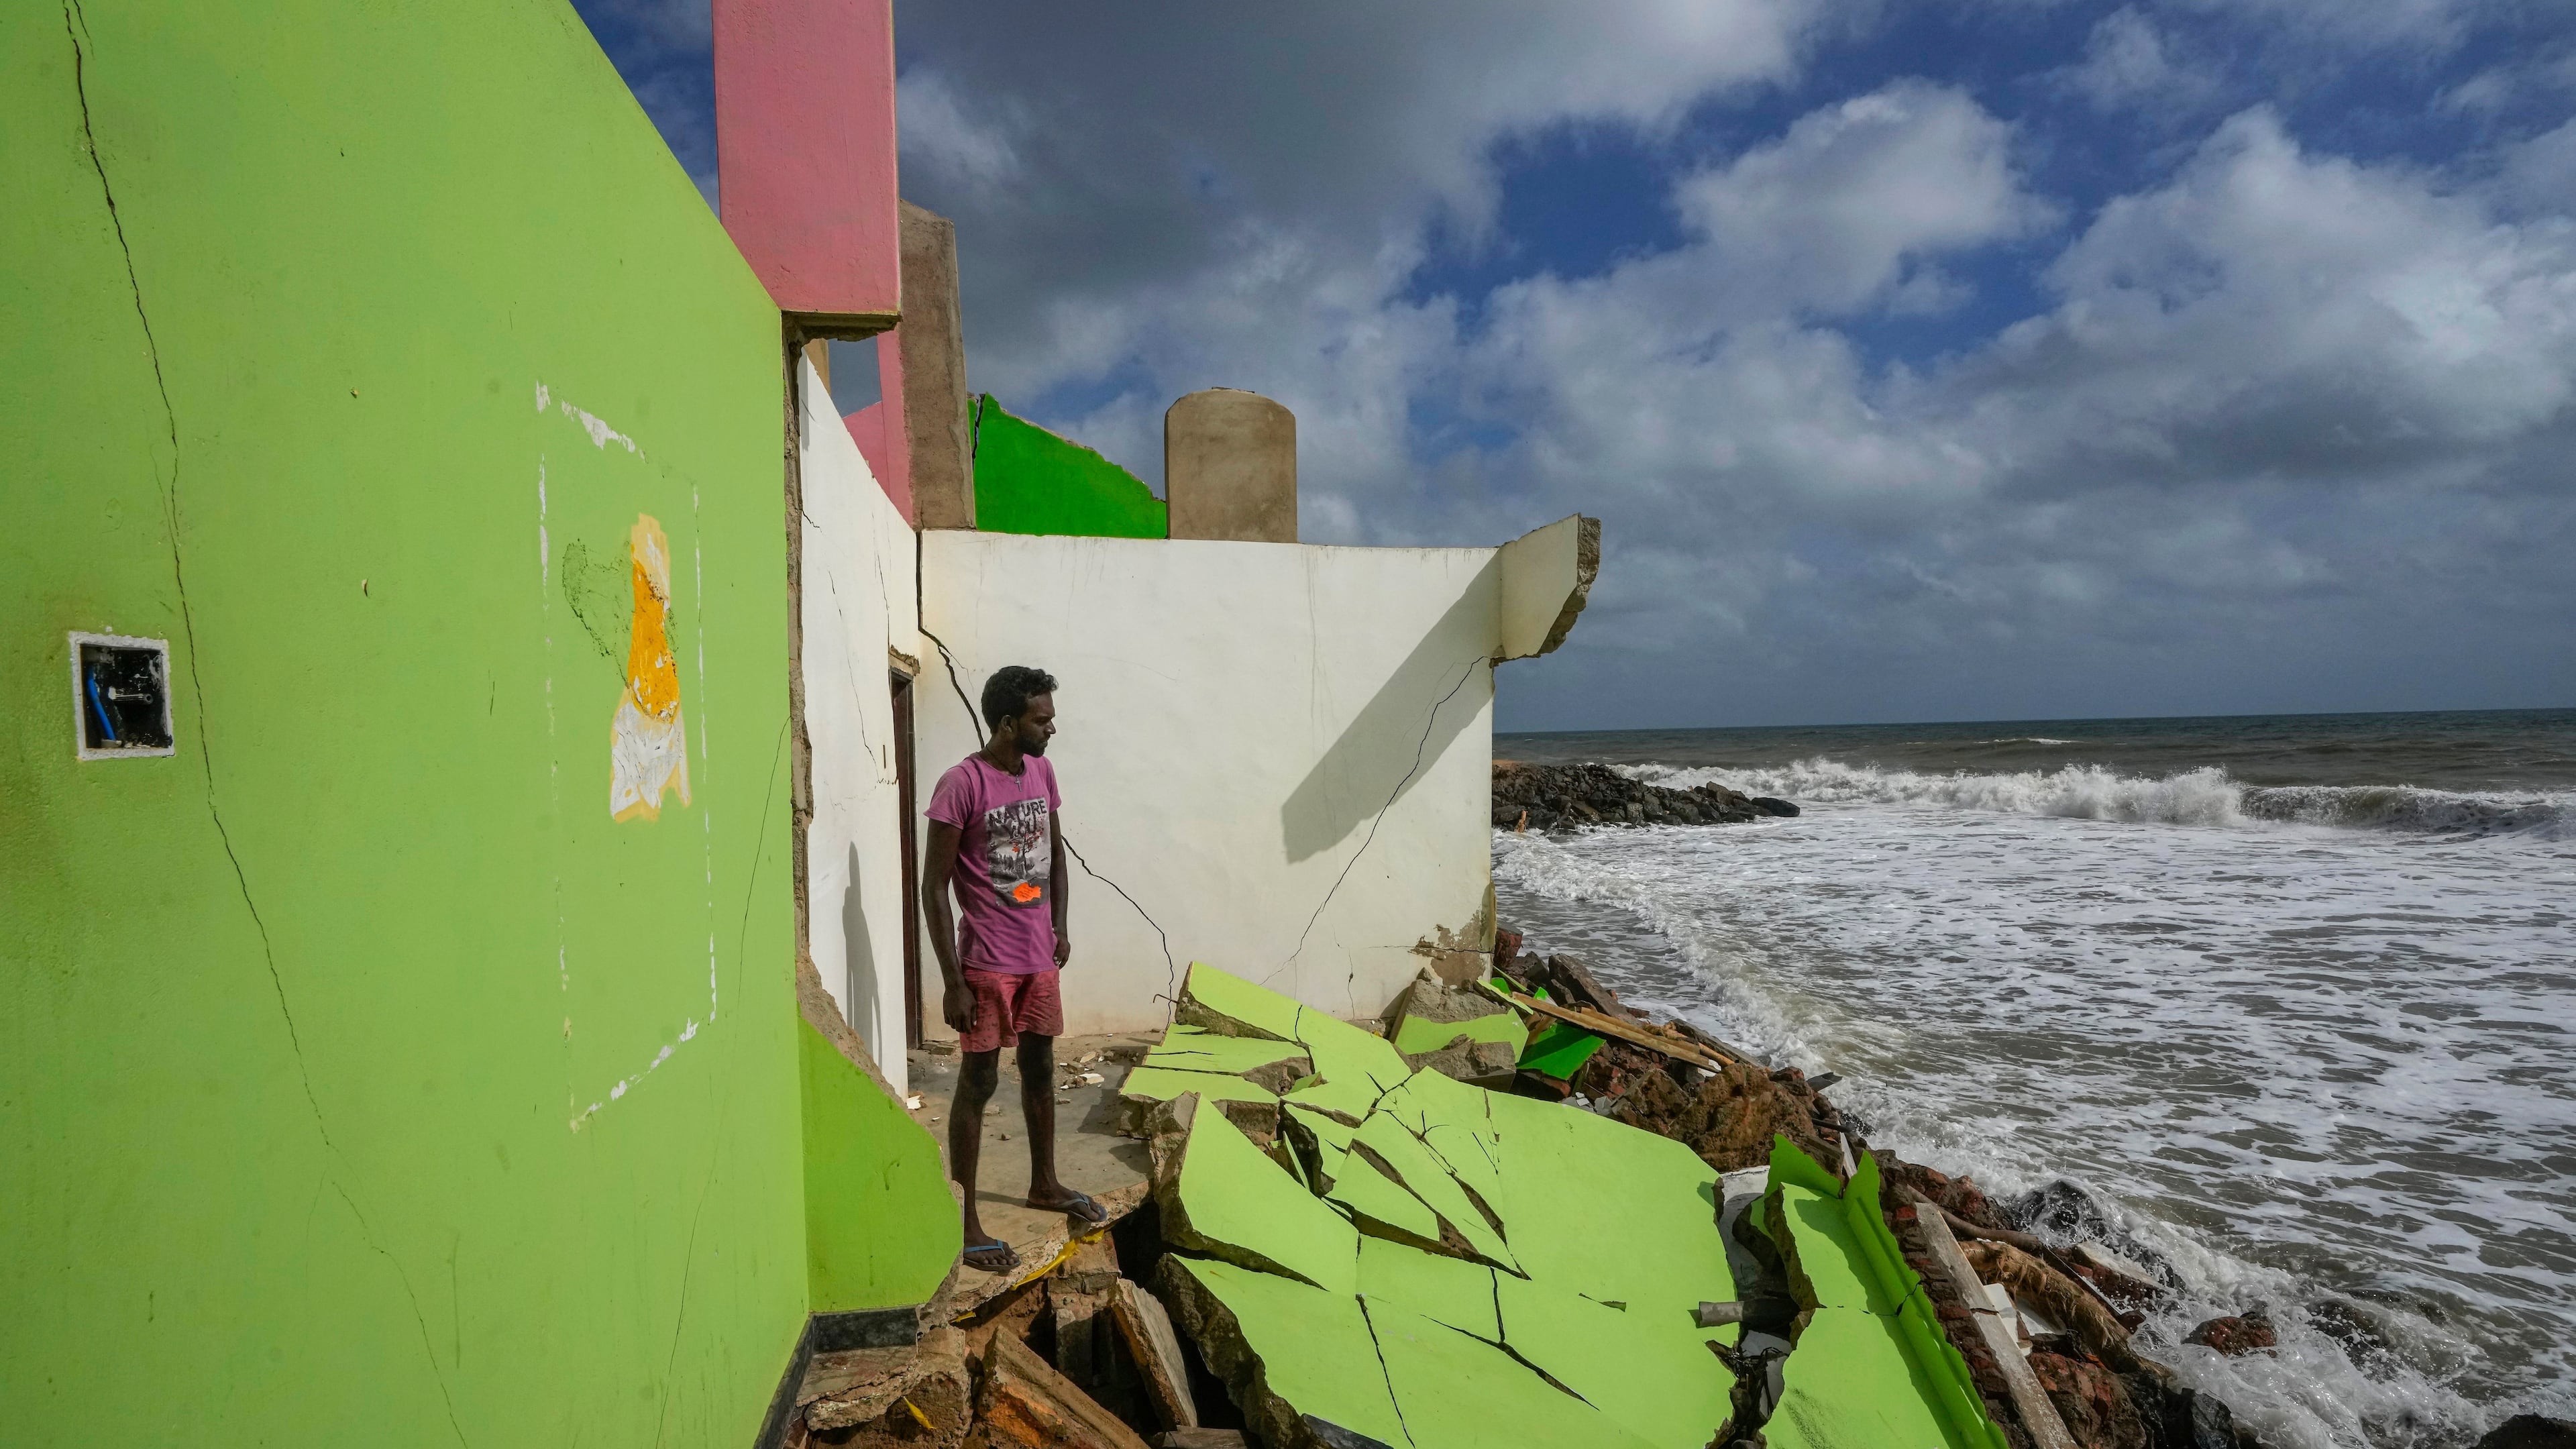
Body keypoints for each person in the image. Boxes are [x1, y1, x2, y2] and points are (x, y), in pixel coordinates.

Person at [922, 664, 1104, 1272]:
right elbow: (933, 889)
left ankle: (1044, 1183)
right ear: (1007, 723)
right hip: (986, 964)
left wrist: (1062, 927)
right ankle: (966, 1219)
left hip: (1037, 959)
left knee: (1041, 1069)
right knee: (978, 1083)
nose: (1052, 728)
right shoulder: (961, 785)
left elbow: (1055, 855)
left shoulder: (1041, 772)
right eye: (1041, 719)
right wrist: (952, 981)